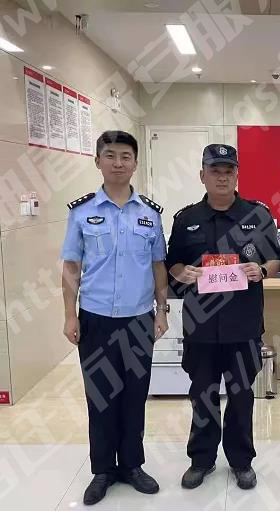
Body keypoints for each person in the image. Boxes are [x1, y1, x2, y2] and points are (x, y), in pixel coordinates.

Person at [166, 144, 280, 491]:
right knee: (202, 395)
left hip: (242, 325)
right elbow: (172, 263)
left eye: (228, 171)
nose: (222, 177)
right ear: (202, 175)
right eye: (215, 171)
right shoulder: (186, 219)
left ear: (236, 175)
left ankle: (241, 461)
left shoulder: (258, 216)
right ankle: (201, 460)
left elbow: (276, 259)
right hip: (200, 327)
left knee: (241, 395)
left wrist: (262, 270)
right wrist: (182, 272)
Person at [61, 130, 169, 506]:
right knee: (101, 397)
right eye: (110, 155)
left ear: (135, 163)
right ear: (98, 161)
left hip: (138, 320)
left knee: (135, 397)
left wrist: (162, 310)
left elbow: (158, 266)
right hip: (95, 319)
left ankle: (132, 466)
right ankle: (103, 470)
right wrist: (69, 316)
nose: (118, 163)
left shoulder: (150, 214)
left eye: (126, 156)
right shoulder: (81, 212)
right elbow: (71, 267)